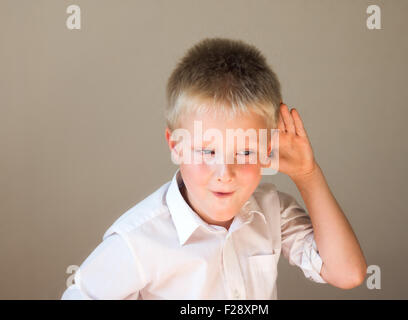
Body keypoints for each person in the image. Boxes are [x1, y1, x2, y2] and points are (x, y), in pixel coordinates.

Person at [61, 37, 367, 300]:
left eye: (246, 151)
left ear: (267, 150)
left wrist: (307, 175)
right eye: (207, 151)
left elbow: (347, 273)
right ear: (176, 145)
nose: (225, 172)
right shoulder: (139, 240)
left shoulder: (273, 212)